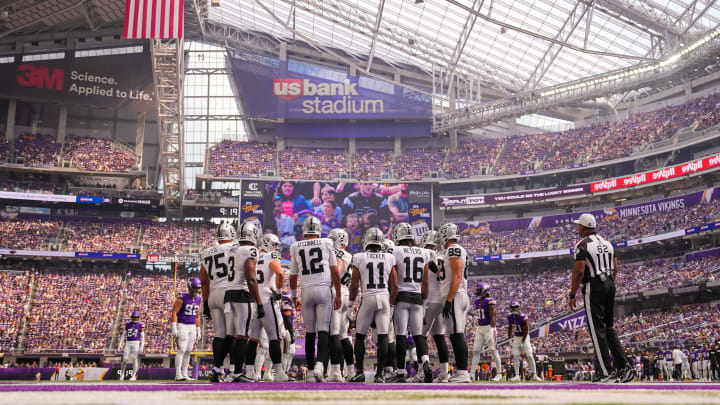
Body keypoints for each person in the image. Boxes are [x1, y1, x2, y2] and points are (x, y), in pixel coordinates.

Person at [568, 213, 633, 383]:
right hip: (610, 283)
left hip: (594, 285)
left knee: (597, 330)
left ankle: (606, 371)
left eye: (578, 226)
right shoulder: (608, 243)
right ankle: (624, 366)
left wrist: (572, 294)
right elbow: (615, 266)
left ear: (583, 226)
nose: (578, 229)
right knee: (609, 328)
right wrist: (610, 283)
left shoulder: (582, 245)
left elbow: (579, 271)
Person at [289, 216, 342, 382]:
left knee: (310, 333)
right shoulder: (327, 243)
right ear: (319, 230)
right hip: (323, 289)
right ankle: (320, 365)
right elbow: (335, 271)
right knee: (324, 330)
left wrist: (294, 296)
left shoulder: (296, 246)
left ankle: (310, 372)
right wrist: (338, 293)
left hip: (306, 291)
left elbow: (292, 276)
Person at [348, 227, 398, 383]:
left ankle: (359, 372)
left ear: (366, 241)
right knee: (383, 337)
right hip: (384, 297)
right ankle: (380, 374)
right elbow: (394, 285)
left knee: (361, 335)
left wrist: (350, 305)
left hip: (368, 296)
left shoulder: (359, 257)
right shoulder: (389, 257)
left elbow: (354, 285)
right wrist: (391, 305)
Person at [388, 222, 431, 383]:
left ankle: (400, 372)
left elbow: (392, 278)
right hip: (418, 298)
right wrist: (424, 302)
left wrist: (391, 301)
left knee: (400, 336)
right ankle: (425, 362)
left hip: (402, 296)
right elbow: (425, 283)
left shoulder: (395, 250)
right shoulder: (424, 252)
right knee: (419, 335)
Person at [246, 233, 289, 382]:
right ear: (267, 244)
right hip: (267, 300)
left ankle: (250, 371)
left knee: (253, 338)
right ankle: (279, 372)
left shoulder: (253, 256)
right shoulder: (271, 256)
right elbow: (280, 273)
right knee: (275, 338)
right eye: (275, 244)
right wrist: (278, 290)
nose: (276, 248)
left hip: (253, 301)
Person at [224, 222, 263, 382]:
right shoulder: (250, 250)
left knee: (232, 335)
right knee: (242, 336)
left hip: (229, 292)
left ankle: (231, 371)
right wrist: (259, 302)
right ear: (252, 234)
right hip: (242, 294)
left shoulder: (233, 249)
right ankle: (238, 373)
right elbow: (251, 277)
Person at [199, 222, 236, 382]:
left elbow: (204, 281)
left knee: (220, 334)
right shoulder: (235, 248)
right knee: (234, 333)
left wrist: (205, 302)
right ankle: (234, 369)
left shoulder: (206, 252)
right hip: (229, 292)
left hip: (214, 294)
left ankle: (217, 368)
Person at [420, 230, 451, 383]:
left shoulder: (425, 254)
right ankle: (445, 374)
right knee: (439, 338)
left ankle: (421, 372)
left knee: (420, 336)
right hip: (442, 300)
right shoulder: (443, 256)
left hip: (429, 301)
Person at [328, 228, 356, 381]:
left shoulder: (338, 254)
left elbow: (336, 272)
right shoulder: (351, 255)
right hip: (346, 294)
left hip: (337, 293)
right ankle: (351, 372)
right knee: (344, 336)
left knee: (334, 335)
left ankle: (336, 372)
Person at [470, 282, 503, 382]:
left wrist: (492, 329)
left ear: (485, 290)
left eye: (479, 290)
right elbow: (480, 315)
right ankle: (472, 374)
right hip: (480, 328)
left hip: (489, 327)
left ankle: (499, 374)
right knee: (476, 350)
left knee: (493, 350)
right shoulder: (477, 301)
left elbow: (493, 316)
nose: (477, 292)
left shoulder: (490, 301)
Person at [171, 278, 202, 381]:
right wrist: (174, 327)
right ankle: (178, 374)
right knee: (182, 349)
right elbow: (174, 312)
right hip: (182, 325)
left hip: (192, 326)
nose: (198, 290)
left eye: (198, 288)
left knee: (188, 351)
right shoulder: (182, 297)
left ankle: (185, 374)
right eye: (196, 288)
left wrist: (198, 329)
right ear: (190, 287)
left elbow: (197, 316)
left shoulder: (198, 299)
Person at [507, 301, 541, 381]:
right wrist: (509, 339)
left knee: (529, 355)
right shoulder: (510, 317)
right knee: (515, 356)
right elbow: (510, 328)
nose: (514, 309)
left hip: (524, 337)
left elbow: (526, 330)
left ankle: (535, 375)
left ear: (518, 308)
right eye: (513, 307)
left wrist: (523, 341)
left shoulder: (523, 317)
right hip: (516, 337)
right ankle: (517, 375)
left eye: (516, 307)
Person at [119, 311, 144, 381]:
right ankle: (122, 374)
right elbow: (124, 334)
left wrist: (142, 346)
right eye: (134, 317)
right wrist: (120, 343)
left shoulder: (141, 325)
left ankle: (133, 376)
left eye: (136, 317)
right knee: (125, 359)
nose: (135, 318)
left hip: (136, 342)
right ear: (132, 317)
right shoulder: (128, 324)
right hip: (128, 342)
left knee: (135, 359)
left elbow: (142, 336)